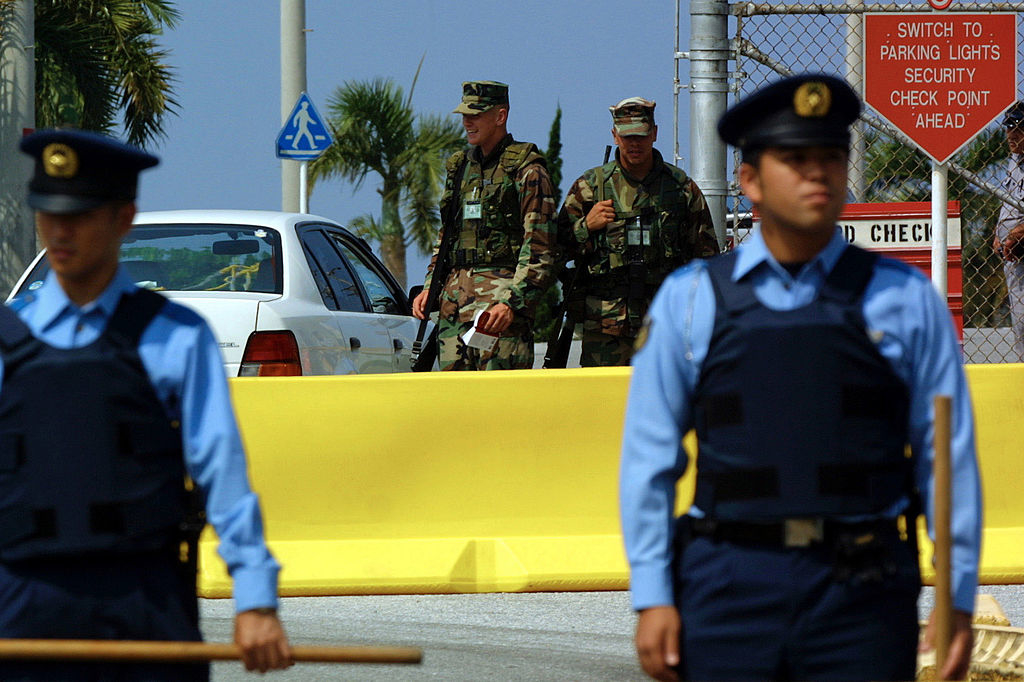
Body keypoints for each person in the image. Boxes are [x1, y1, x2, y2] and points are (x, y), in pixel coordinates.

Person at [619, 74, 982, 682]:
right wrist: (653, 595)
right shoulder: (689, 300)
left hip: (862, 593)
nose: (818, 172)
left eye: (831, 157)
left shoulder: (905, 300)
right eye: (795, 159)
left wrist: (957, 594)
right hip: (728, 584)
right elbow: (649, 459)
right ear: (750, 181)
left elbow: (948, 459)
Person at [0, 129, 292, 679]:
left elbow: (221, 471)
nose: (59, 231)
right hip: (23, 599)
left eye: (80, 214)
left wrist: (255, 599)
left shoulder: (176, 337)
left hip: (143, 598)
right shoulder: (4, 340)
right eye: (48, 213)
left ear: (123, 218)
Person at [556, 97, 718, 366]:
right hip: (605, 326)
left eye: (641, 136)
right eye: (627, 136)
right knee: (604, 403)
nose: (634, 144)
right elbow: (553, 251)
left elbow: (707, 259)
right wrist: (587, 227)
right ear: (615, 136)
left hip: (664, 321)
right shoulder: (590, 187)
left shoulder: (680, 189)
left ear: (654, 133)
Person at [411, 81, 558, 370]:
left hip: (498, 312)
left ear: (500, 116)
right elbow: (447, 234)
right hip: (454, 307)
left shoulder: (528, 169)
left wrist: (513, 303)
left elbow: (540, 247)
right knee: (454, 405)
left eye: (475, 115)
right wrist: (431, 286)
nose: (467, 122)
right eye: (465, 115)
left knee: (500, 404)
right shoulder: (459, 167)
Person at [993, 101, 1024, 361]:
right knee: (1020, 319)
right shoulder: (1014, 161)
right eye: (1009, 128)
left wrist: (1016, 233)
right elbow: (1009, 200)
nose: (1012, 134)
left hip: (1020, 247)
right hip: (1012, 257)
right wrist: (998, 234)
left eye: (1019, 128)